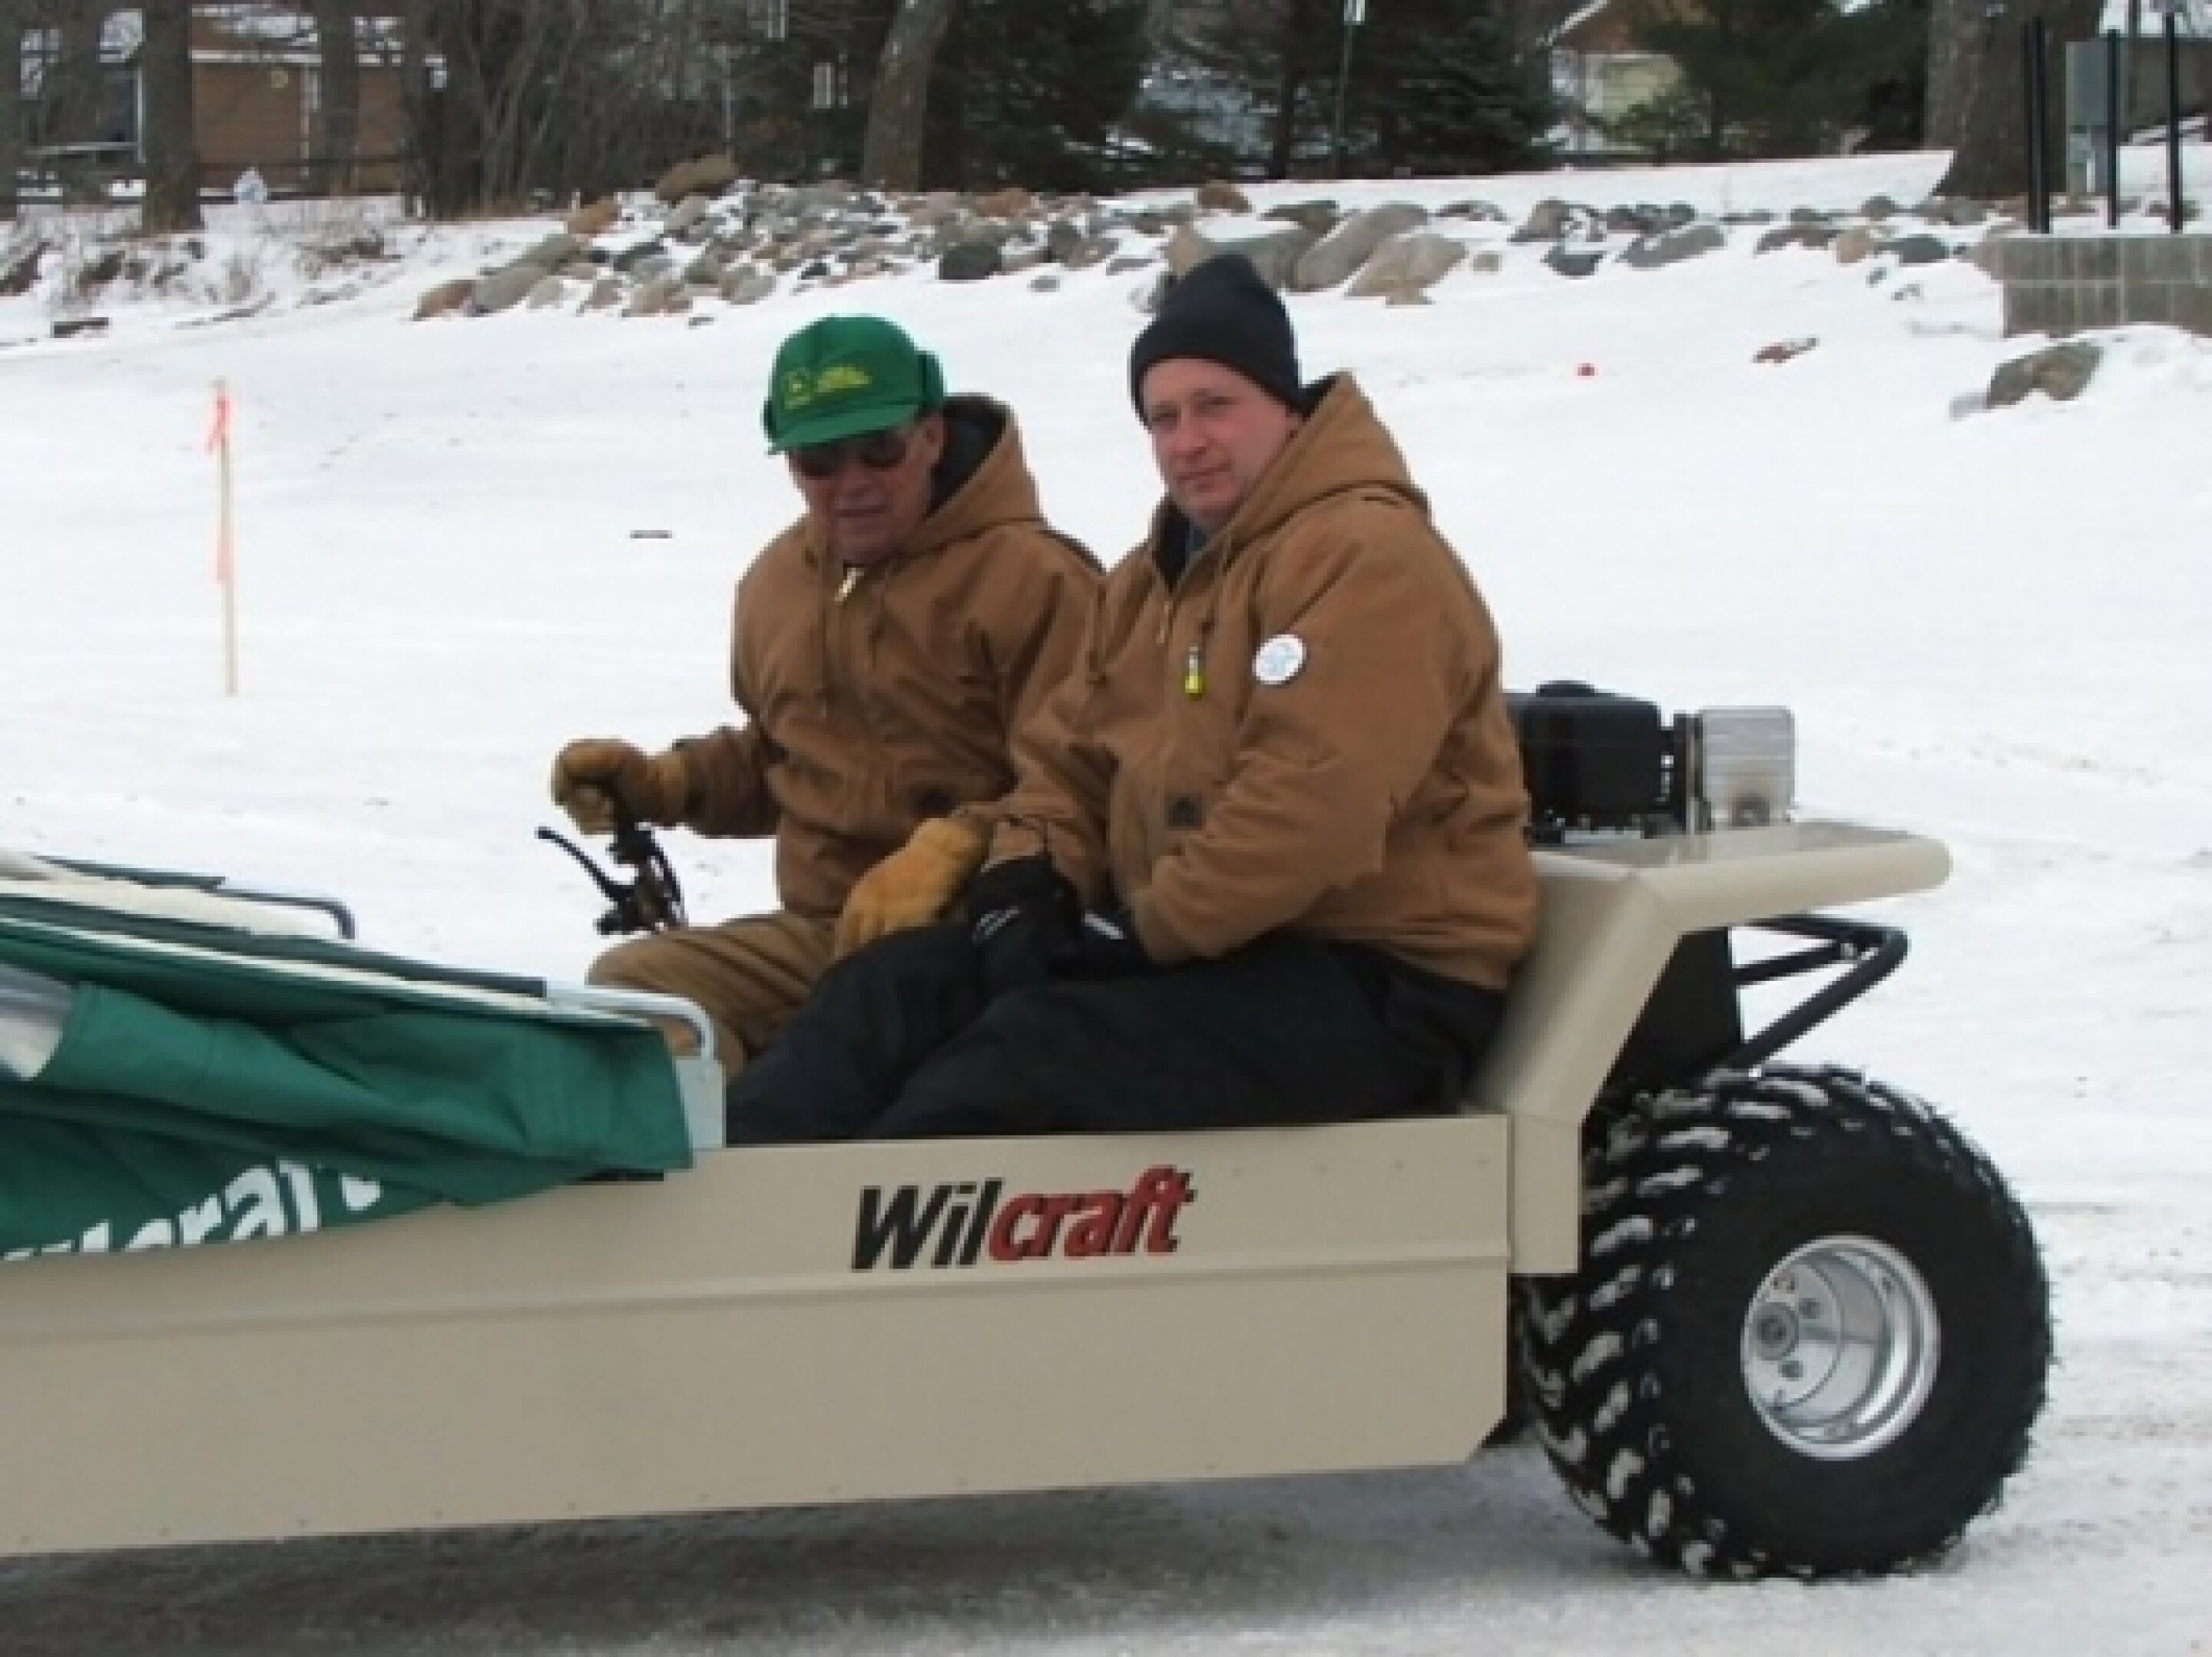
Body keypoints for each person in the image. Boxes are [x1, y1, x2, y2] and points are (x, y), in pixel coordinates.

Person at [722, 254, 1537, 1144]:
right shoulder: (1152, 584)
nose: (1188, 441)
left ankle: (865, 1267)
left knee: (1030, 1063)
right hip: (1214, 948)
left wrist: (1139, 937)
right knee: (893, 991)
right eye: (1164, 417)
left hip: (1382, 974)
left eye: (1216, 406)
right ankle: (727, 1224)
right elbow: (1066, 763)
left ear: (1287, 409)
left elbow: (1309, 810)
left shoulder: (1364, 560)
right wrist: (1029, 878)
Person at [550, 314, 1099, 1073]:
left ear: (931, 437)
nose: (853, 486)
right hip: (824, 931)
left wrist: (958, 846)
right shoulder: (777, 585)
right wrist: (669, 785)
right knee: (642, 993)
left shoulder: (1035, 581)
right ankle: (716, 1179)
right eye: (819, 460)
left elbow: (1089, 782)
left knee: (832, 1057)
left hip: (983, 936)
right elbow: (785, 755)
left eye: (881, 450)